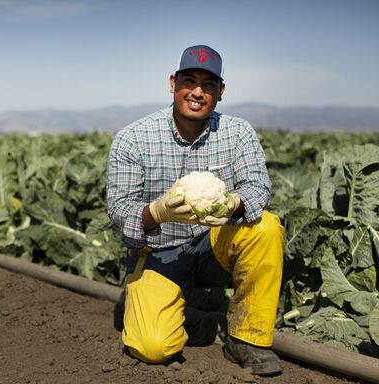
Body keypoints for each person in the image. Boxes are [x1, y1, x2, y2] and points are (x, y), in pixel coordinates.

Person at [106, 44, 285, 376]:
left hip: (211, 247)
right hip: (158, 254)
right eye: (190, 81)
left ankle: (246, 340)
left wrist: (235, 202)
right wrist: (157, 212)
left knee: (266, 226)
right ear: (173, 83)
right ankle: (198, 320)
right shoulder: (133, 139)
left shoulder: (238, 133)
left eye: (209, 85)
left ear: (221, 92)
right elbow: (118, 209)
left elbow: (258, 187)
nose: (198, 92)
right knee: (153, 347)